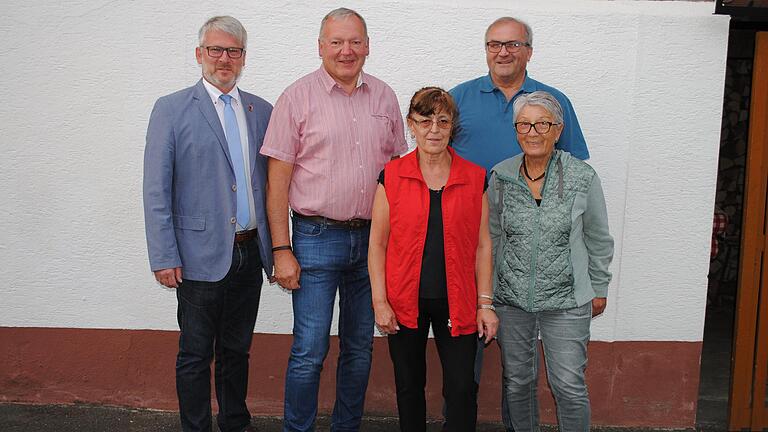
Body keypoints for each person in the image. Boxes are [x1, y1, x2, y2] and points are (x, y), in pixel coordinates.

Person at [259, 8, 407, 432]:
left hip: (372, 243)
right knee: (309, 349)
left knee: (360, 349)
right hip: (314, 238)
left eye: (355, 41)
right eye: (337, 42)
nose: (347, 51)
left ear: (368, 46)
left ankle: (347, 427)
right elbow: (277, 184)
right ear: (320, 47)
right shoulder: (296, 98)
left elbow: (395, 173)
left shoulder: (384, 97)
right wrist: (281, 250)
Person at [449, 17, 591, 430]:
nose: (503, 52)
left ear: (529, 50)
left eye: (513, 44)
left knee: (520, 373)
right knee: (467, 348)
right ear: (486, 49)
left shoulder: (552, 101)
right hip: (468, 238)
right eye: (495, 44)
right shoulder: (460, 98)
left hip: (530, 250)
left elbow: (574, 175)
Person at [143, 16, 273, 432]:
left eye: (232, 51)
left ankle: (235, 421)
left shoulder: (261, 111)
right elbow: (156, 189)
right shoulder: (171, 108)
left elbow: (272, 182)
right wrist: (164, 255)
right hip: (197, 256)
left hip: (249, 250)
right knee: (196, 352)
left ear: (244, 58)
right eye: (215, 50)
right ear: (199, 54)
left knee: (237, 350)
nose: (224, 58)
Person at [368, 87, 499, 432]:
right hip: (404, 301)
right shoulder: (392, 175)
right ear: (411, 125)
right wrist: (380, 301)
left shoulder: (474, 177)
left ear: (453, 125)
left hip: (458, 300)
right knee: (409, 387)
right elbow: (378, 244)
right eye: (425, 121)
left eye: (443, 121)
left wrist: (485, 303)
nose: (434, 129)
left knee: (461, 389)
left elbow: (484, 245)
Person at [488, 91, 614, 432]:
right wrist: (488, 294)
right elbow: (493, 236)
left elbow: (598, 238)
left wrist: (599, 286)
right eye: (524, 124)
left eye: (542, 123)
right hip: (511, 300)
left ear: (557, 130)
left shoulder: (581, 176)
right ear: (516, 130)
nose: (533, 131)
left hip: (568, 300)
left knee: (568, 386)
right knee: (517, 381)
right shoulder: (500, 177)